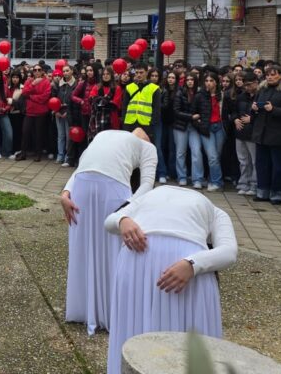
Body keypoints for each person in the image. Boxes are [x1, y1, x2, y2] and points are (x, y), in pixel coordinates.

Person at [104, 185, 238, 374]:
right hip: (170, 266)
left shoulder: (215, 212)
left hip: (143, 263)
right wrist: (193, 264)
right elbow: (228, 252)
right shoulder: (215, 210)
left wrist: (122, 220)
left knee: (136, 327)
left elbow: (230, 253)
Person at [60, 128, 157, 335]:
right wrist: (128, 207)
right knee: (114, 248)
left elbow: (80, 170)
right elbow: (147, 184)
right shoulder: (148, 147)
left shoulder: (103, 134)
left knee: (83, 246)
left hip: (81, 186)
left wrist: (65, 194)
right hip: (113, 186)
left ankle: (83, 309)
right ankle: (114, 311)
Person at [251, 66, 281, 205]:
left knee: (278, 166)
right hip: (262, 134)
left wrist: (274, 109)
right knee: (261, 164)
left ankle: (277, 193)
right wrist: (254, 109)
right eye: (267, 75)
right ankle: (262, 191)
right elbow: (254, 114)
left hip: (279, 136)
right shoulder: (262, 90)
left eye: (273, 75)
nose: (270, 77)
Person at [232, 70, 259, 196]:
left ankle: (254, 185)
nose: (247, 87)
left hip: (253, 133)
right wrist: (235, 119)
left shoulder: (261, 96)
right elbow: (233, 111)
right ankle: (243, 183)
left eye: (249, 84)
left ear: (256, 83)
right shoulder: (241, 96)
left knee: (254, 161)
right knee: (243, 160)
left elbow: (264, 115)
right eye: (245, 85)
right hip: (240, 132)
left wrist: (252, 119)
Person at [17, 64, 51, 161]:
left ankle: (38, 154)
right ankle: (23, 153)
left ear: (42, 71)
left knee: (38, 134)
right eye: (35, 70)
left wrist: (31, 97)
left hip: (40, 112)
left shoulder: (46, 82)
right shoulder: (29, 81)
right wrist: (33, 85)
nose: (36, 71)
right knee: (25, 132)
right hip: (29, 111)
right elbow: (24, 93)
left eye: (39, 70)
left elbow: (45, 97)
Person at [121, 63, 161, 140]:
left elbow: (156, 109)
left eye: (141, 72)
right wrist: (124, 121)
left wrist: (152, 123)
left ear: (146, 72)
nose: (138, 75)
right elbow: (124, 106)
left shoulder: (154, 88)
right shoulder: (129, 87)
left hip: (146, 124)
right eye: (136, 72)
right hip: (130, 122)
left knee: (144, 148)